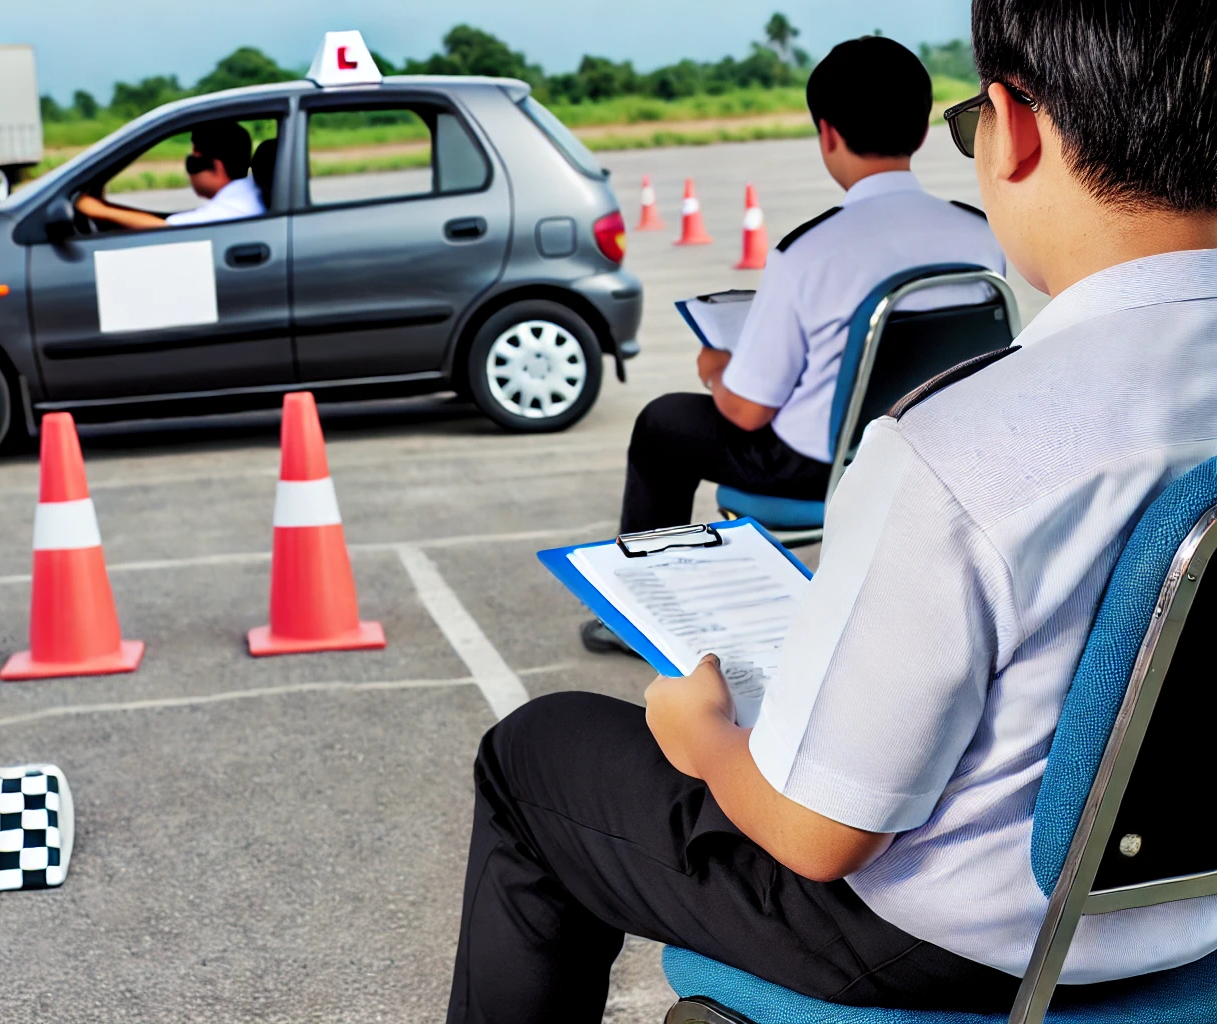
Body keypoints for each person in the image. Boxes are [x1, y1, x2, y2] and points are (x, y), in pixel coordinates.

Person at [448, 0, 1217, 1018]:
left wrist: (706, 741)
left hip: (961, 943)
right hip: (1195, 918)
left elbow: (823, 836)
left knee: (534, 754)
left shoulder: (954, 447)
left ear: (1015, 128)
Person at [583, 36, 1005, 655]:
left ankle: (642, 612)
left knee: (664, 422)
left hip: (819, 471)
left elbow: (747, 413)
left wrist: (716, 369)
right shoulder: (978, 236)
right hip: (937, 455)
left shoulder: (806, 253)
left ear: (827, 134)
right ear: (920, 131)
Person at [74, 120, 264, 230]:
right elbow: (168, 219)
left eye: (192, 163)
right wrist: (105, 206)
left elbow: (167, 230)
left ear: (216, 166)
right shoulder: (247, 193)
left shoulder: (233, 208)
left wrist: (98, 211)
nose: (189, 174)